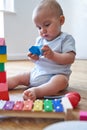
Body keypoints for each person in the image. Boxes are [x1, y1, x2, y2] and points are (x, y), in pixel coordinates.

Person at [7, 0, 76, 101]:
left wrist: (53, 55)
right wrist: (33, 58)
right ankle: (3, 84)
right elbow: (37, 60)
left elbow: (70, 58)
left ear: (61, 21)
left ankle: (37, 91)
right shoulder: (40, 40)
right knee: (20, 76)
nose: (42, 30)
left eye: (47, 25)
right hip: (37, 73)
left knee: (61, 81)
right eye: (39, 27)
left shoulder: (65, 39)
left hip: (56, 75)